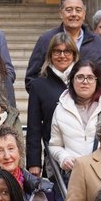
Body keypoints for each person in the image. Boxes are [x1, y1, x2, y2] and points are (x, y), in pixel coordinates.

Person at [47, 60, 101, 173]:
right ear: (72, 80)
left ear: (98, 81)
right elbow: (54, 145)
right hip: (75, 174)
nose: (85, 82)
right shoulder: (61, 109)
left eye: (90, 77)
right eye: (80, 77)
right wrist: (64, 157)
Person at [24, 0, 101, 87]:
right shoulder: (47, 40)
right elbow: (32, 78)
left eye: (78, 10)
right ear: (61, 14)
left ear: (84, 14)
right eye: (69, 10)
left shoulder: (96, 42)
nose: (74, 14)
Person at [24, 32, 78, 174]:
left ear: (74, 54)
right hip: (54, 157)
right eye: (57, 51)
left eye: (67, 51)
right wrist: (34, 163)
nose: (62, 55)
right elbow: (34, 128)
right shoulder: (38, 85)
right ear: (50, 55)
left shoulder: (84, 81)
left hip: (84, 154)